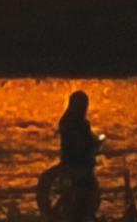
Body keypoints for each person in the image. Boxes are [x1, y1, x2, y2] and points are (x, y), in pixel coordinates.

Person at [34, 91, 100, 222]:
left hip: (68, 163)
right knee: (82, 196)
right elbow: (85, 143)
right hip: (80, 165)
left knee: (71, 196)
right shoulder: (81, 124)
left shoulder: (65, 121)